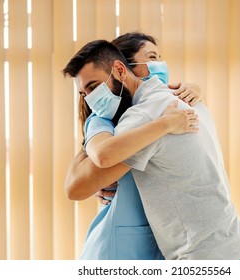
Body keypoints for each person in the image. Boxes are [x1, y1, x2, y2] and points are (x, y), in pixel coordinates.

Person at [63, 39, 240, 259]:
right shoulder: (186, 99)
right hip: (233, 243)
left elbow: (85, 178)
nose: (91, 99)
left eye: (94, 87)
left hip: (201, 256)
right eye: (85, 93)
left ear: (120, 70)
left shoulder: (144, 116)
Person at [74, 33, 200, 260]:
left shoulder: (168, 103)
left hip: (166, 244)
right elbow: (79, 182)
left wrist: (195, 89)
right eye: (151, 58)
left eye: (159, 57)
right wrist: (165, 124)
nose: (159, 65)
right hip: (121, 247)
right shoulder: (105, 117)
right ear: (123, 69)